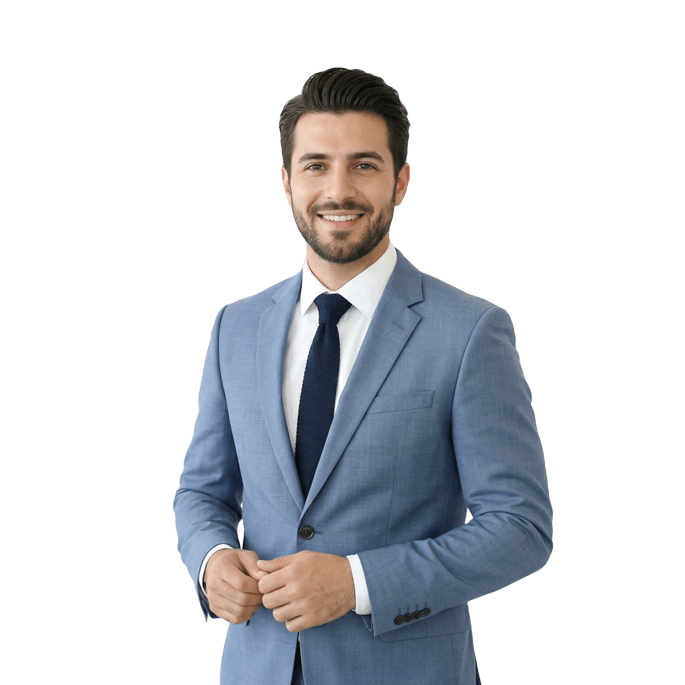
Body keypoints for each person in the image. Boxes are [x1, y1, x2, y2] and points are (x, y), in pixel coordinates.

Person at [173, 67, 553, 685]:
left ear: (401, 181)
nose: (338, 190)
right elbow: (200, 491)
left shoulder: (470, 331)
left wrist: (356, 582)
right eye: (316, 165)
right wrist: (212, 558)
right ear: (287, 180)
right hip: (255, 667)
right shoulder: (235, 327)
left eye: (364, 165)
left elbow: (520, 527)